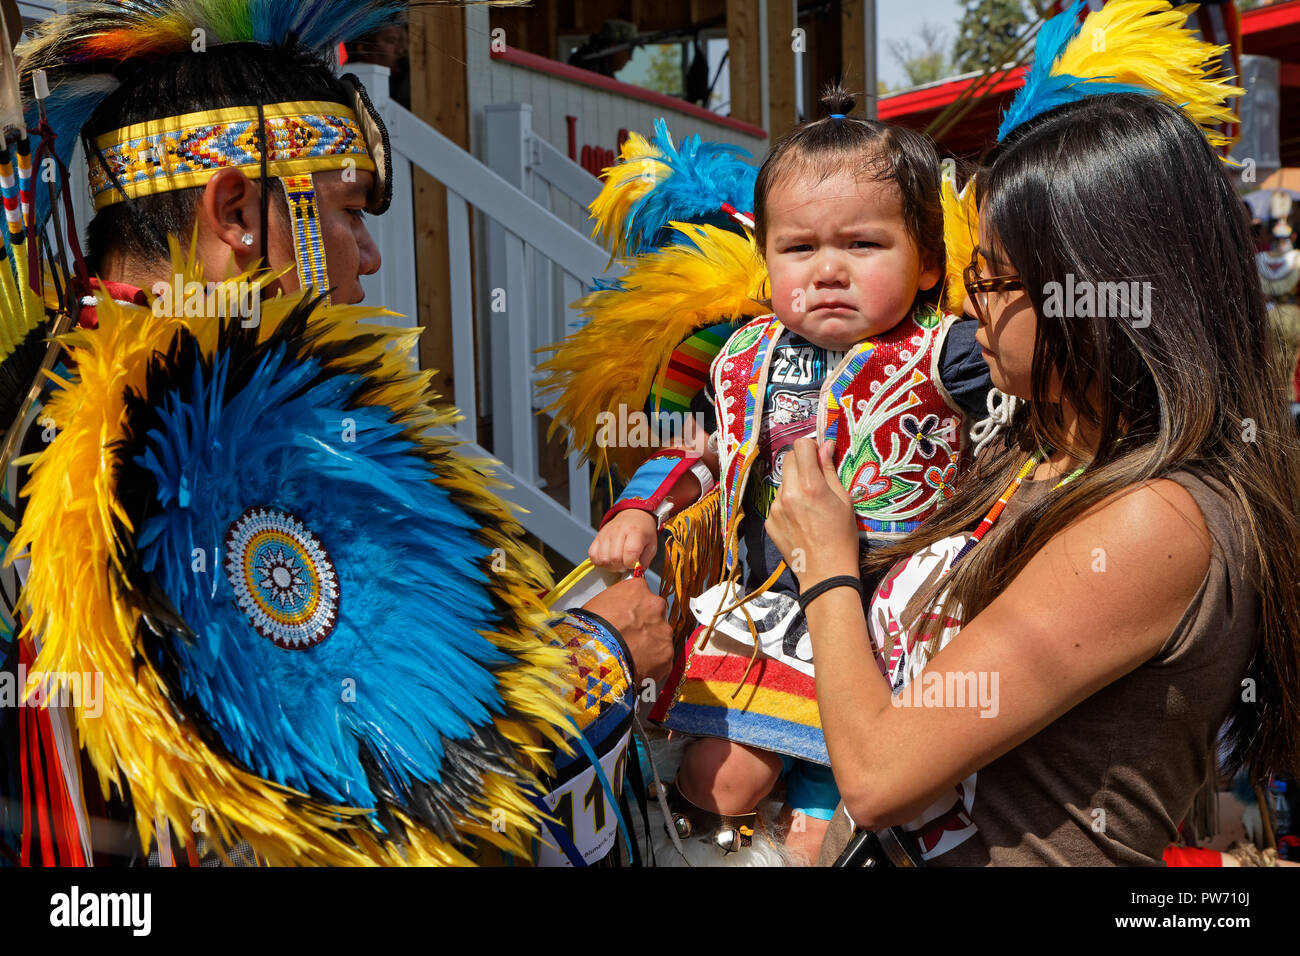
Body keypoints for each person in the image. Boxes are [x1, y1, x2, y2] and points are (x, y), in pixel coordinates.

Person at [1, 0, 671, 868]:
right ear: (237, 212)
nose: (369, 255)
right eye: (350, 213)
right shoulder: (191, 452)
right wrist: (601, 652)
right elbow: (362, 813)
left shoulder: (63, 392)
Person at [765, 85, 1300, 866]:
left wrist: (823, 565)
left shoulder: (1157, 519)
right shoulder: (1032, 448)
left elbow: (881, 776)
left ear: (1101, 293)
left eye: (994, 281)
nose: (972, 308)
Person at [587, 87, 991, 862]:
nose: (828, 271)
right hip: (765, 606)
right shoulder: (745, 353)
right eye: (800, 249)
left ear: (930, 260)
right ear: (765, 256)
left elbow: (1052, 367)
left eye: (864, 246)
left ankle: (822, 805)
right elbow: (705, 449)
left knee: (833, 834)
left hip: (891, 624)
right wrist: (642, 508)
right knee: (719, 784)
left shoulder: (951, 352)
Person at [567, 19, 637, 78]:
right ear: (613, 46)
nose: (630, 58)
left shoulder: (602, 69)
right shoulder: (588, 65)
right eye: (629, 51)